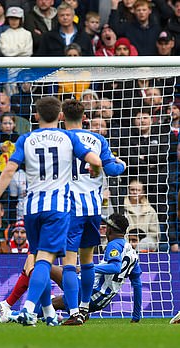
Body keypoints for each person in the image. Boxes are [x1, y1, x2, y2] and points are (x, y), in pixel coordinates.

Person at [0, 96, 102, 327]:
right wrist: (96, 168)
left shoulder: (26, 139)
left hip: (31, 209)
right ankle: (30, 309)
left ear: (36, 116)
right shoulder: (68, 137)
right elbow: (93, 158)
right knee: (44, 261)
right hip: (57, 208)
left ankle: (49, 312)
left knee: (37, 257)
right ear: (60, 116)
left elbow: (10, 168)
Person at [52, 99, 127, 325]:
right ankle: (85, 308)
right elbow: (113, 170)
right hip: (93, 209)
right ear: (84, 118)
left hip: (69, 209)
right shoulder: (98, 139)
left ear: (63, 117)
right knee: (87, 262)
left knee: (68, 263)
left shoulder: (59, 140)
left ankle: (73, 311)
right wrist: (121, 164)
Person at [51, 213, 142, 324]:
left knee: (47, 268)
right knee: (54, 302)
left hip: (90, 292)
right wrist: (136, 316)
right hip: (101, 301)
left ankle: (33, 311)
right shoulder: (132, 253)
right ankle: (78, 313)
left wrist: (86, 268)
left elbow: (115, 267)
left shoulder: (114, 245)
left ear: (109, 230)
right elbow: (137, 285)